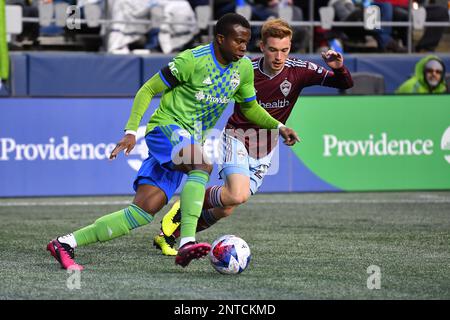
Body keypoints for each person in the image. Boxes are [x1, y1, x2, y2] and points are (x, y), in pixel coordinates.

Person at [46, 13, 300, 270]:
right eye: (238, 41)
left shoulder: (243, 68)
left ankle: (65, 243)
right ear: (220, 39)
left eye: (246, 42)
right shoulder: (192, 60)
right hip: (166, 129)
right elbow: (148, 89)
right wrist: (131, 130)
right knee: (201, 164)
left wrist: (279, 127)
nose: (243, 48)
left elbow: (250, 108)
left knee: (143, 210)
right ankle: (187, 241)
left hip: (188, 140)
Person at [153, 18, 353, 256]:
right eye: (273, 50)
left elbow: (344, 83)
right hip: (238, 136)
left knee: (228, 206)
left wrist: (338, 67)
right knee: (237, 193)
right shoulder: (245, 69)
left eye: (284, 50)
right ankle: (184, 205)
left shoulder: (299, 70)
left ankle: (170, 235)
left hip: (266, 148)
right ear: (261, 47)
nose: (279, 57)